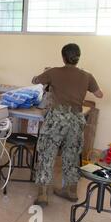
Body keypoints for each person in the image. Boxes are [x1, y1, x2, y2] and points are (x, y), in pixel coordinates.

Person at [32, 43, 103, 207]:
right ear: (78, 57)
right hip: (76, 119)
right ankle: (70, 191)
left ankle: (43, 194)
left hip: (57, 118)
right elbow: (99, 94)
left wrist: (39, 77)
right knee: (72, 155)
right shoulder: (87, 75)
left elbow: (36, 81)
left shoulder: (53, 72)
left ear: (63, 57)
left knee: (47, 153)